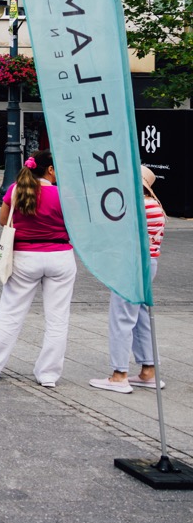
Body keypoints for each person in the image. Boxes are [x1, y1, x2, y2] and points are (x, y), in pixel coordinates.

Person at [0, 150, 74, 387]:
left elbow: (4, 221)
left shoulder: (16, 189)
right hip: (60, 257)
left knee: (9, 314)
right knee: (58, 319)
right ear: (50, 170)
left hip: (25, 257)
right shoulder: (63, 194)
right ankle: (48, 375)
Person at [91, 167, 166, 394]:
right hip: (149, 262)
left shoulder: (137, 205)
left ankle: (119, 374)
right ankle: (148, 370)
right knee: (141, 315)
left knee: (121, 318)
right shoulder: (155, 206)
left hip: (131, 264)